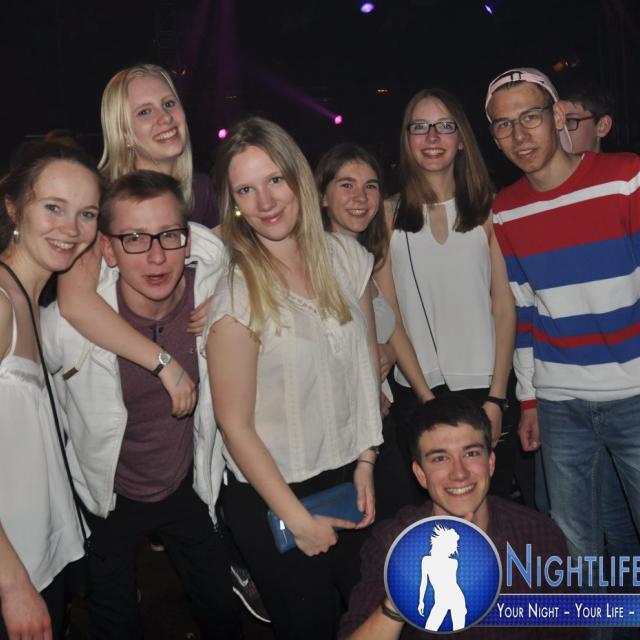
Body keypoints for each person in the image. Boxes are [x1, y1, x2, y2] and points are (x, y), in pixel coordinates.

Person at [42, 171, 241, 639]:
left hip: (186, 485)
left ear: (187, 240)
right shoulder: (65, 327)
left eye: (169, 235)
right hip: (106, 496)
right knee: (115, 623)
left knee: (222, 612)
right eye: (134, 238)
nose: (155, 256)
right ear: (107, 250)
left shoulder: (215, 297)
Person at [205, 117, 383, 639]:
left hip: (351, 477)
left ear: (299, 178)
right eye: (246, 189)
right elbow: (234, 425)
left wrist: (367, 459)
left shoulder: (346, 258)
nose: (265, 201)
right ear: (234, 203)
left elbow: (367, 368)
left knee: (379, 620)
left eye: (275, 180)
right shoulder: (236, 292)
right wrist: (298, 519)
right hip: (274, 496)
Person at [485, 67, 640, 639]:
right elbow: (525, 313)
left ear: (556, 116)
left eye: (530, 116)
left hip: (635, 394)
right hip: (560, 403)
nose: (519, 134)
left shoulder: (625, 178)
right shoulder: (505, 210)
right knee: (577, 552)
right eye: (504, 125)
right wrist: (529, 401)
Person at [338, 396, 585, 639]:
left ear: (490, 463)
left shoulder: (537, 534)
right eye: (440, 458)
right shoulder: (392, 543)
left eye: (471, 454)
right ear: (421, 474)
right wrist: (398, 600)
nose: (459, 473)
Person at [375, 88, 519, 500]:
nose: (432, 137)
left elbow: (504, 307)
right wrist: (424, 396)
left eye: (444, 126)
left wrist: (497, 397)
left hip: (486, 388)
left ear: (461, 139)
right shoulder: (386, 215)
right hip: (418, 391)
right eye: (420, 126)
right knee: (429, 514)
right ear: (407, 139)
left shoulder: (490, 209)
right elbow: (389, 313)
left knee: (490, 509)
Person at [0, 141, 100, 639]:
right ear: (14, 207)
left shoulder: (35, 306)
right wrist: (12, 585)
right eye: (53, 208)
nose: (71, 229)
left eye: (87, 214)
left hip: (39, 557)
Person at [315, 142, 414, 519]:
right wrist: (371, 385)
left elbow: (381, 334)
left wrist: (388, 356)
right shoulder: (320, 259)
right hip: (350, 428)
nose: (361, 197)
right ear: (322, 197)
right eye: (346, 185)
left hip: (376, 419)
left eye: (370, 186)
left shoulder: (362, 257)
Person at [557, 78, 614, 155]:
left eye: (569, 121)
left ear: (602, 126)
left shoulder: (625, 162)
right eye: (554, 121)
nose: (557, 132)